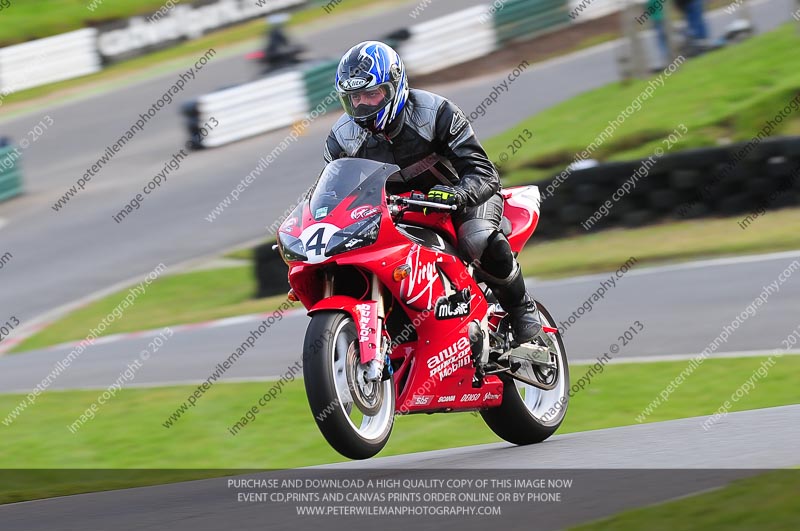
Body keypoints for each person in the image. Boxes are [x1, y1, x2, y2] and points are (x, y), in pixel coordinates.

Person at [323, 41, 541, 345]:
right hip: (396, 214)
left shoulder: (435, 113)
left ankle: (522, 309)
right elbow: (334, 195)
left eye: (372, 94)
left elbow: (483, 172)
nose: (364, 106)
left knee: (477, 238)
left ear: (395, 86)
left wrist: (459, 195)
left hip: (459, 200)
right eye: (355, 98)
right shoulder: (342, 138)